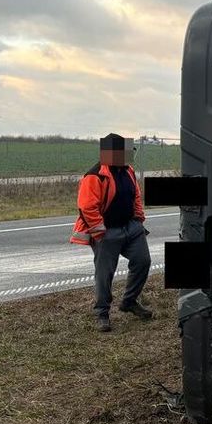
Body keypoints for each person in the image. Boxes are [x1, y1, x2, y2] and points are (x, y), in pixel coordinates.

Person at [69, 134, 153, 331]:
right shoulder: (94, 175)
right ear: (111, 154)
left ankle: (129, 302)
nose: (129, 156)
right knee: (105, 274)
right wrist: (100, 233)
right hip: (107, 232)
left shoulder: (128, 170)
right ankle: (102, 313)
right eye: (125, 152)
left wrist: (138, 220)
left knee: (143, 261)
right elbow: (87, 207)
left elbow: (136, 196)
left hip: (131, 228)